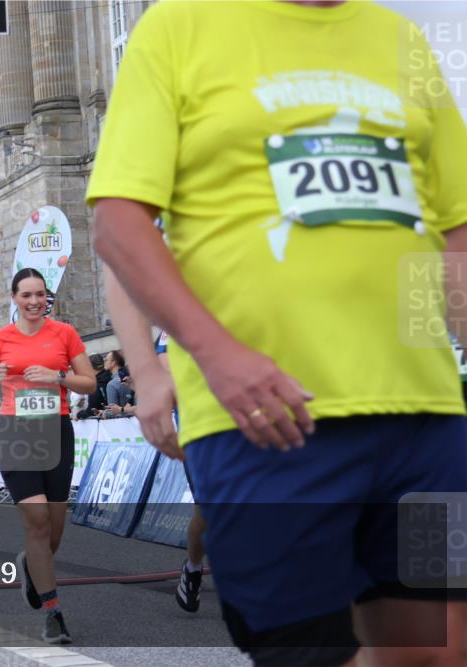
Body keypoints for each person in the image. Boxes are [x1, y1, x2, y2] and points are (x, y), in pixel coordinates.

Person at [88, 2, 467, 664]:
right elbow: (120, 223)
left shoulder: (402, 39)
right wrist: (192, 361)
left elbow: (457, 227)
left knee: (441, 647)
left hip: (425, 424)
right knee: (304, 650)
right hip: (262, 421)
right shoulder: (179, 28)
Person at [0, 268, 96, 644]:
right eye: (26, 295)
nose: (33, 301)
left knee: (53, 530)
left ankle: (30, 564)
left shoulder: (65, 334)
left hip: (55, 431)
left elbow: (88, 382)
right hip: (16, 433)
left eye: (39, 294)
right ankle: (52, 611)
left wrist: (57, 377)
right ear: (14, 298)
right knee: (37, 520)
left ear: (47, 297)